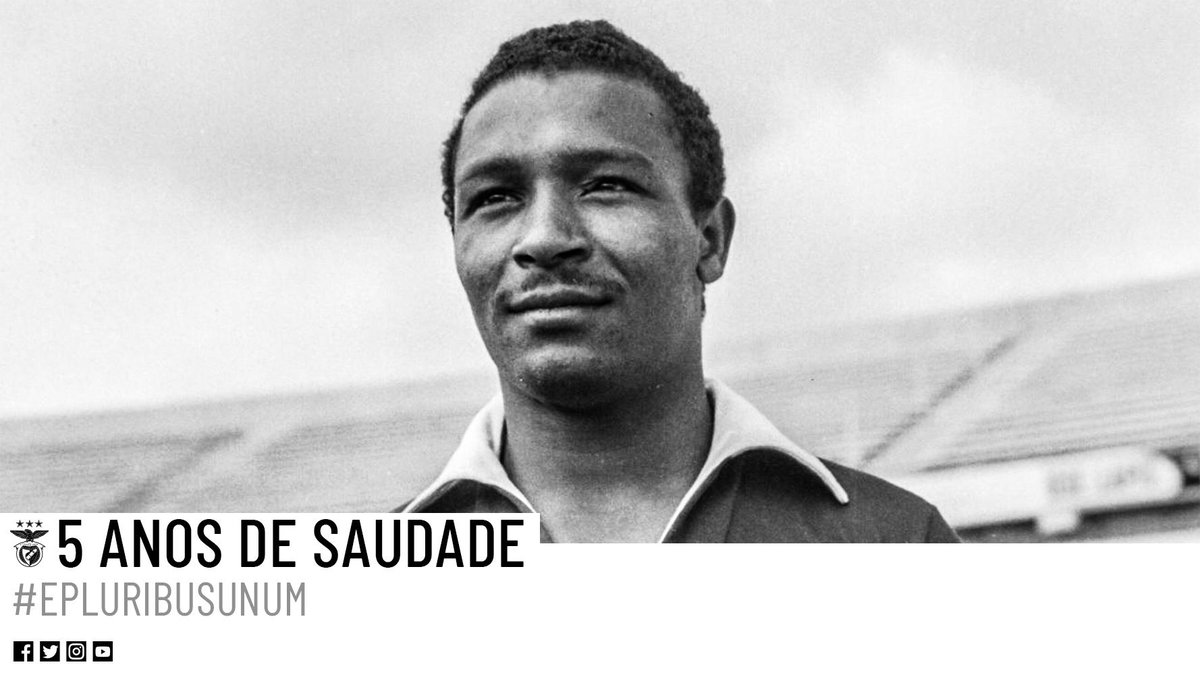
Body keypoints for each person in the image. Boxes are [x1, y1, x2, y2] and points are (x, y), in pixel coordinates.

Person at [399, 19, 959, 543]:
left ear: (709, 239)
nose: (544, 238)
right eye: (495, 198)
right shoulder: (376, 567)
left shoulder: (896, 540)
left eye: (605, 186)